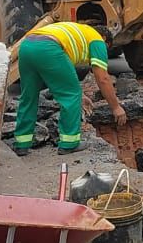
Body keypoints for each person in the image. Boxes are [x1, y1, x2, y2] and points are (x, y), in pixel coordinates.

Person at [11, 21, 127, 155]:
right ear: (105, 39)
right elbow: (103, 78)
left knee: (28, 96)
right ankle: (69, 143)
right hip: (49, 47)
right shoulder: (97, 39)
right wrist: (116, 107)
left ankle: (21, 143)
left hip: (27, 46)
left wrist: (82, 95)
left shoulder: (78, 33)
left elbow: (61, 77)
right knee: (71, 95)